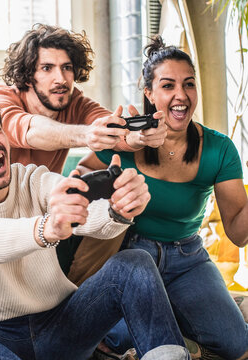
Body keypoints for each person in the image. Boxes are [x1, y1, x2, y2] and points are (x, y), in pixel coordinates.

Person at [0, 89, 189, 359]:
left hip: (64, 325)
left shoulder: (32, 179)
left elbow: (85, 210)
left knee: (134, 263)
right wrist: (47, 228)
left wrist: (119, 209)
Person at [78, 36, 248, 359]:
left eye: (189, 84)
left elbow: (239, 234)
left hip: (188, 258)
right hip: (131, 256)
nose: (181, 96)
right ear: (149, 93)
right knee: (117, 338)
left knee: (234, 342)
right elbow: (79, 182)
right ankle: (172, 315)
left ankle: (179, 308)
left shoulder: (219, 148)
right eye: (168, 86)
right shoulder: (124, 138)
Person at [0, 23, 168, 284]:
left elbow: (112, 127)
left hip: (48, 210)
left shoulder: (75, 101)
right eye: (47, 68)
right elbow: (30, 131)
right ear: (27, 76)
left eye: (67, 67)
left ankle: (77, 294)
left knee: (118, 211)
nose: (60, 79)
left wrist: (139, 137)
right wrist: (85, 135)